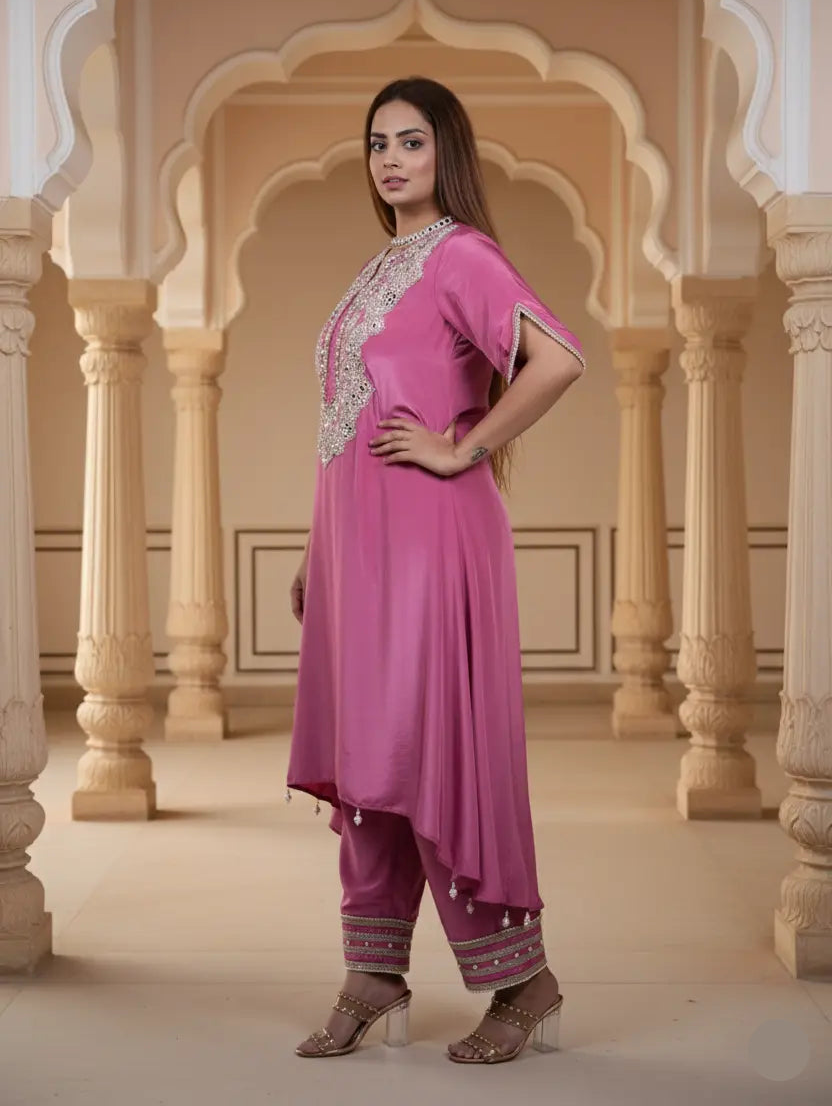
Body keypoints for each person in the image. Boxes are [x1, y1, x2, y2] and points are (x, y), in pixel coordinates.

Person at [285, 76, 585, 1064]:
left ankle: (521, 982)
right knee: (370, 759)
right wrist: (314, 550)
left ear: (444, 153)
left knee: (430, 751)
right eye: (377, 142)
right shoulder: (380, 270)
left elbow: (556, 360)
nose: (390, 158)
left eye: (411, 141)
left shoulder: (461, 257)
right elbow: (349, 428)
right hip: (360, 555)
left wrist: (464, 449)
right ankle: (372, 972)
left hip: (432, 543)